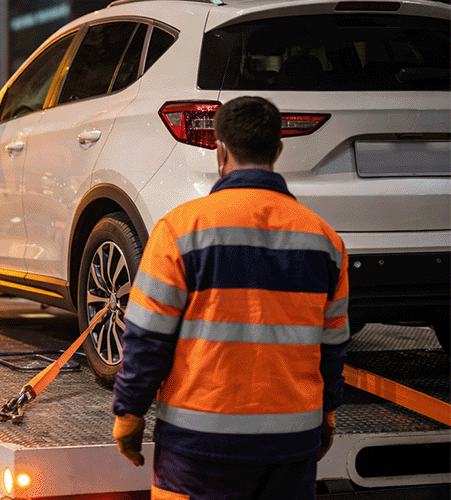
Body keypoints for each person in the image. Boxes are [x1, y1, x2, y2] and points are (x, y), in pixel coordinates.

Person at [111, 96, 349, 499]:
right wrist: (326, 415)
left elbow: (147, 337)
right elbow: (333, 346)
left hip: (200, 446)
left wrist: (129, 414)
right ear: (277, 150)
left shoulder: (181, 230)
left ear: (220, 149)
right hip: (290, 446)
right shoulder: (324, 240)